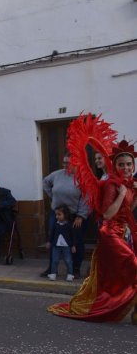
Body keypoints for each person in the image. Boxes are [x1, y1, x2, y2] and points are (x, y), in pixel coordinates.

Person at [49, 114, 136, 323]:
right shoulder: (111, 185)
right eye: (122, 165)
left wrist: (132, 194)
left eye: (129, 165)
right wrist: (123, 193)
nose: (125, 168)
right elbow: (107, 214)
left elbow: (129, 210)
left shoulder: (129, 183)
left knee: (122, 274)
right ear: (115, 166)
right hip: (110, 234)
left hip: (125, 232)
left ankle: (130, 309)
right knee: (133, 266)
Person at [42, 154, 91, 277]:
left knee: (76, 242)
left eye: (68, 163)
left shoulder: (83, 177)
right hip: (57, 214)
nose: (65, 165)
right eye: (64, 163)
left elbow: (87, 198)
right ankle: (51, 269)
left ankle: (75, 269)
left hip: (75, 215)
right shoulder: (57, 174)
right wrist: (54, 198)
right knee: (53, 240)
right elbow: (45, 182)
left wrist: (81, 215)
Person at [46, 205, 78, 282]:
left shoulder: (69, 225)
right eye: (56, 214)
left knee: (68, 260)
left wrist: (73, 245)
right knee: (55, 260)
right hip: (56, 246)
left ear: (65, 215)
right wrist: (49, 242)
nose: (57, 216)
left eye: (59, 214)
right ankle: (53, 273)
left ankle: (70, 274)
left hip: (66, 247)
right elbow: (52, 234)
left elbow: (73, 236)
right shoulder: (55, 224)